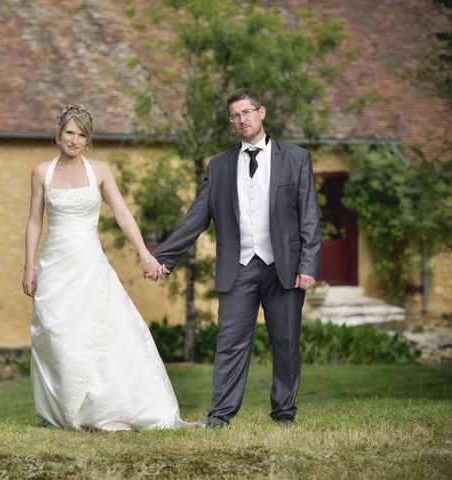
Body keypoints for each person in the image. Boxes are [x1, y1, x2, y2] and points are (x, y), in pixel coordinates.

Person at [146, 88, 321, 427]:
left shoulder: (296, 158)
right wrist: (163, 257)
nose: (242, 120)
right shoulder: (221, 166)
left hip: (284, 267)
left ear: (262, 112)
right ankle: (220, 416)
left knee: (285, 343)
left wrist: (309, 265)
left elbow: (309, 216)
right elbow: (197, 216)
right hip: (238, 267)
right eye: (235, 116)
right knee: (229, 344)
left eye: (247, 112)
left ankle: (284, 413)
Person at [22, 104, 193, 431]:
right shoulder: (40, 172)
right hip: (55, 264)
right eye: (69, 132)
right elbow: (33, 222)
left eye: (81, 134)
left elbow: (122, 213)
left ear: (88, 140)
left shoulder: (99, 170)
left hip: (89, 263)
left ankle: (104, 409)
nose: (74, 140)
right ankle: (67, 410)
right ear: (58, 134)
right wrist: (29, 267)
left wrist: (144, 253)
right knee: (59, 336)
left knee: (100, 332)